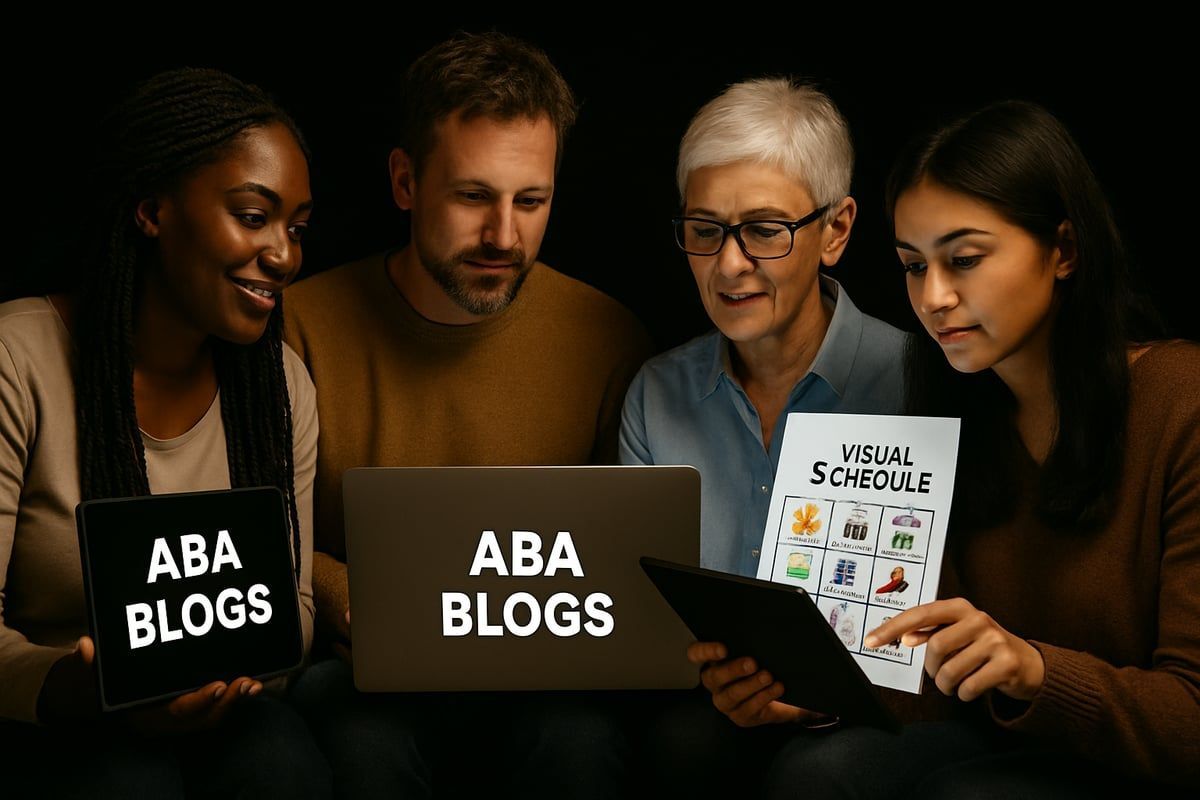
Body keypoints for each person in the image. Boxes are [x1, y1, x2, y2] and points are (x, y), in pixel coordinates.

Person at [702, 100, 1200, 796]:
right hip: (1007, 746)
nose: (933, 297)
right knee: (816, 772)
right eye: (913, 265)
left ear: (1063, 249)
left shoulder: (1181, 401)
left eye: (964, 259)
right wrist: (808, 695)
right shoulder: (952, 414)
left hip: (1143, 761)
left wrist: (1036, 671)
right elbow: (934, 685)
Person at [284, 31, 650, 799]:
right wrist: (346, 595)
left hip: (546, 678)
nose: (503, 237)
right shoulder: (301, 327)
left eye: (531, 201)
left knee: (580, 742)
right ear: (405, 181)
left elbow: (631, 556)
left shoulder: (610, 337)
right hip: (365, 676)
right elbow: (264, 527)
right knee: (358, 740)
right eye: (473, 196)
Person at [0, 68, 329, 798]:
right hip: (50, 718)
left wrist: (217, 676)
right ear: (152, 211)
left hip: (228, 710)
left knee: (281, 764)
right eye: (254, 216)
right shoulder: (15, 361)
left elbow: (294, 612)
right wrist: (92, 689)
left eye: (297, 228)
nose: (284, 255)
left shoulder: (281, 387)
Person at [617, 77, 907, 793]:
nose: (729, 264)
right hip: (705, 714)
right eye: (705, 229)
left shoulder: (919, 382)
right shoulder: (656, 394)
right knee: (675, 746)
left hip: (883, 718)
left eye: (766, 230)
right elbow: (644, 620)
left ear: (836, 230)